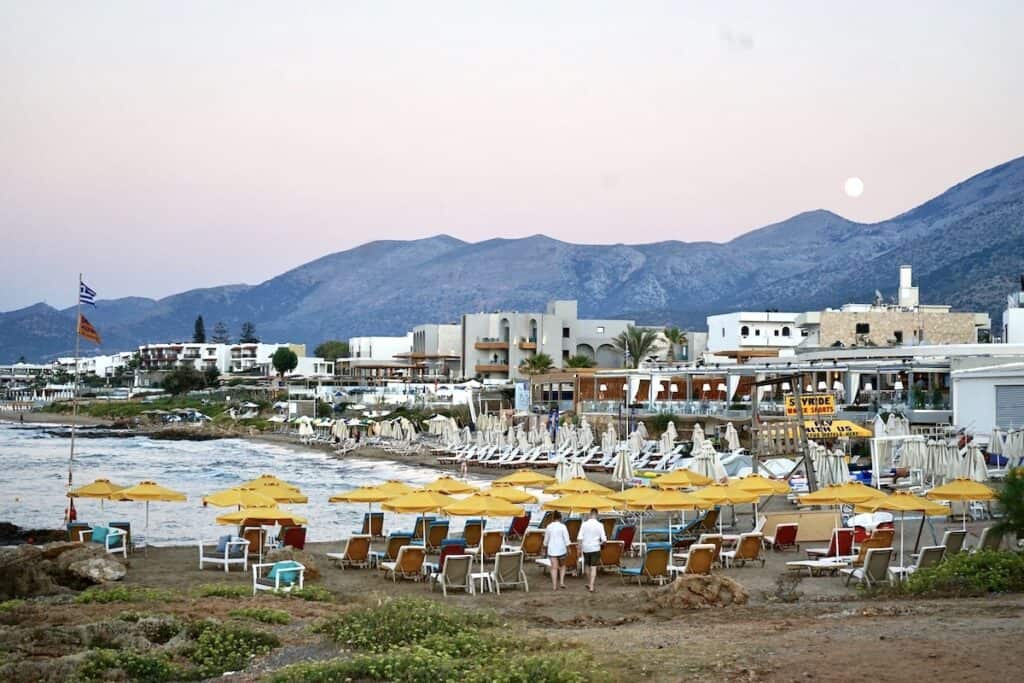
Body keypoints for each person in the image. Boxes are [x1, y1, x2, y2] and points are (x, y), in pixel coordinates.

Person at [578, 508, 607, 592]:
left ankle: (589, 583)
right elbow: (604, 539)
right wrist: (603, 545)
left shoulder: (584, 524)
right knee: (593, 567)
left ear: (590, 514)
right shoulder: (600, 525)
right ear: (597, 515)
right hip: (595, 547)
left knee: (587, 565)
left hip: (586, 548)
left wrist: (579, 549)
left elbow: (579, 537)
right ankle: (591, 586)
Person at [542, 510, 571, 590]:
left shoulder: (549, 526)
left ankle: (554, 586)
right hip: (562, 549)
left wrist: (544, 548)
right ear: (560, 518)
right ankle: (561, 582)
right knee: (563, 566)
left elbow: (546, 540)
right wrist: (568, 548)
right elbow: (566, 539)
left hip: (552, 550)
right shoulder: (563, 526)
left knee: (554, 568)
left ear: (553, 518)